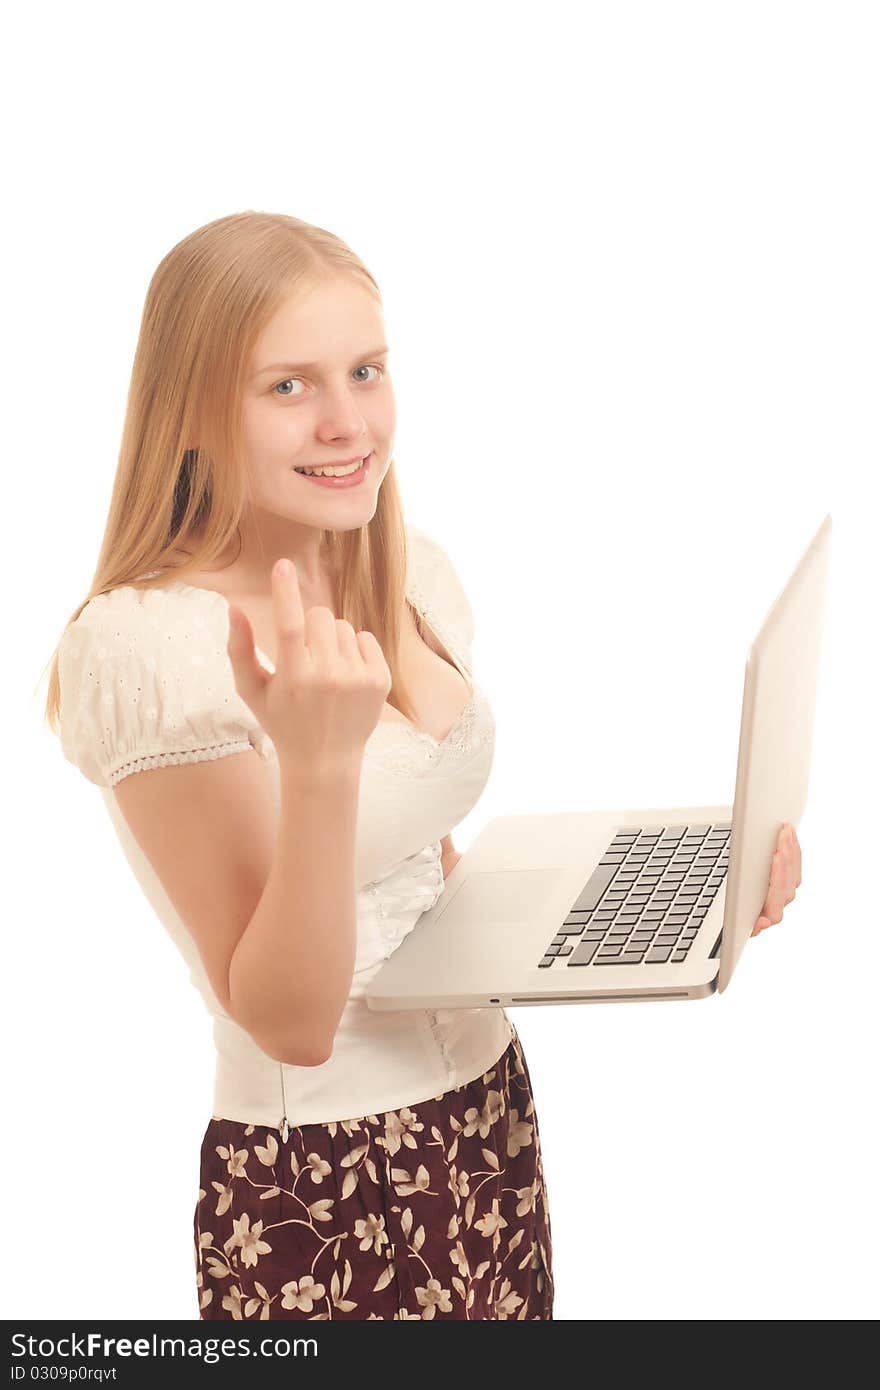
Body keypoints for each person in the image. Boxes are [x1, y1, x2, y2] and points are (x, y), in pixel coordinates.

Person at [45, 211, 556, 1320]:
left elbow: (417, 872)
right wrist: (316, 769)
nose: (347, 422)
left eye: (365, 371)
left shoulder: (402, 573)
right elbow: (287, 1018)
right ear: (190, 412)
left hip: (485, 1122)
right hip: (320, 1177)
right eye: (288, 386)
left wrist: (678, 906)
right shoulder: (152, 646)